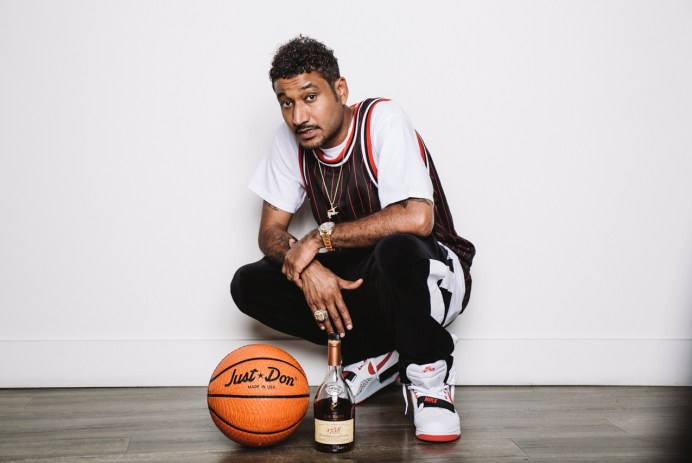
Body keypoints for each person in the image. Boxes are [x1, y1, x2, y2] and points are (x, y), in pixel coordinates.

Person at [231, 35, 475, 443]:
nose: (298, 116)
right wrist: (310, 269)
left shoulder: (382, 119)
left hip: (432, 274)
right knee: (249, 283)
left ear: (340, 90)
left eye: (310, 97)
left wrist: (318, 239)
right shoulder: (289, 141)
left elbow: (417, 217)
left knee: (395, 248)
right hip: (366, 284)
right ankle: (380, 356)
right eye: (286, 102)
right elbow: (270, 233)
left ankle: (429, 377)